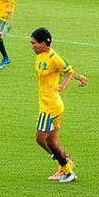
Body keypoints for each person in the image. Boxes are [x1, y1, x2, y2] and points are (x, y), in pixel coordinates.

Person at [30, 27, 87, 183]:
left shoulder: (54, 58)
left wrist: (64, 85)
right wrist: (79, 78)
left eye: (34, 43)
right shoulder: (40, 56)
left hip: (50, 106)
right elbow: (68, 71)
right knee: (52, 142)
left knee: (41, 139)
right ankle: (64, 164)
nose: (32, 46)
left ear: (44, 43)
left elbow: (69, 70)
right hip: (51, 104)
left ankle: (66, 168)